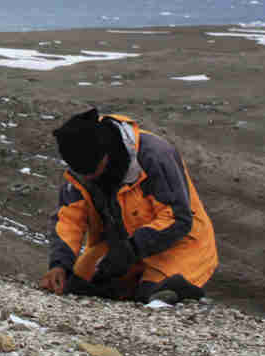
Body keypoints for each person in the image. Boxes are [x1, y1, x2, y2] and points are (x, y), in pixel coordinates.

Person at [39, 108, 218, 304]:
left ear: (106, 152)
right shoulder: (80, 168)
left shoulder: (154, 155)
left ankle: (186, 295)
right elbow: (69, 220)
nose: (88, 178)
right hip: (120, 247)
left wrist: (129, 250)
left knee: (150, 298)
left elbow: (178, 219)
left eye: (92, 171)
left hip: (179, 244)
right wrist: (60, 264)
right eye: (83, 173)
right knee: (77, 288)